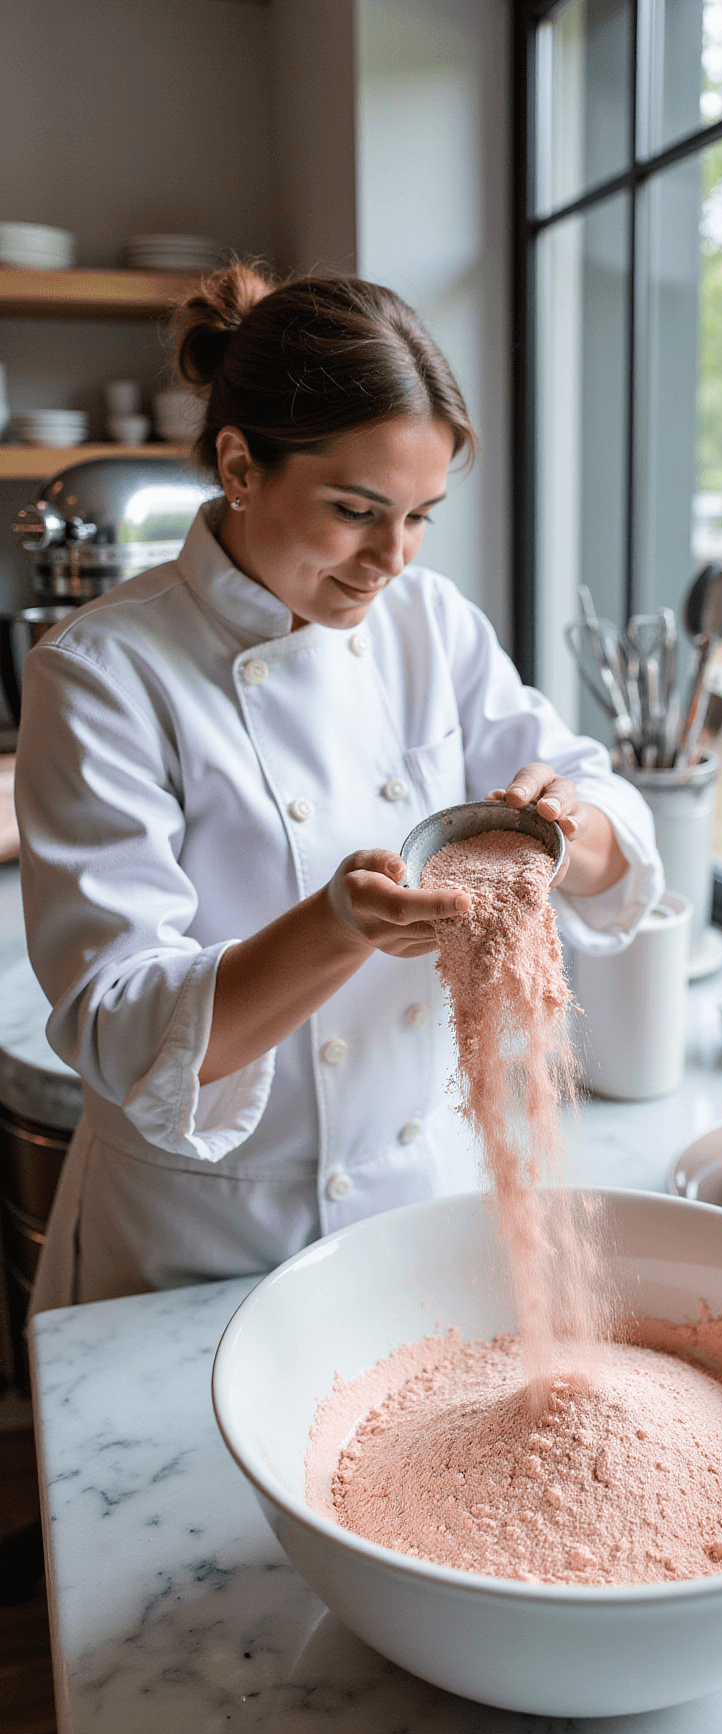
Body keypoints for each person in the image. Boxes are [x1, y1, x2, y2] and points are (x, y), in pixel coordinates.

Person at [16, 266, 662, 1313]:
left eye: (420, 517)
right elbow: (120, 1030)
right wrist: (339, 925)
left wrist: (562, 822)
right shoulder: (101, 673)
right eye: (356, 510)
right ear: (239, 463)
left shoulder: (430, 623)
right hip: (205, 1245)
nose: (389, 560)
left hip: (418, 1214)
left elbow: (599, 814)